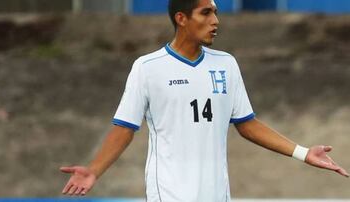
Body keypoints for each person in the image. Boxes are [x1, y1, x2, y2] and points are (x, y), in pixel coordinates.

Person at [60, 0, 349, 201]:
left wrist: (302, 152)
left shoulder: (226, 64)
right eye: (206, 12)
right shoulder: (147, 68)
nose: (215, 21)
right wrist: (94, 170)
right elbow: (124, 129)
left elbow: (246, 124)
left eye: (216, 12)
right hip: (169, 196)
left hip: (217, 195)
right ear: (182, 18)